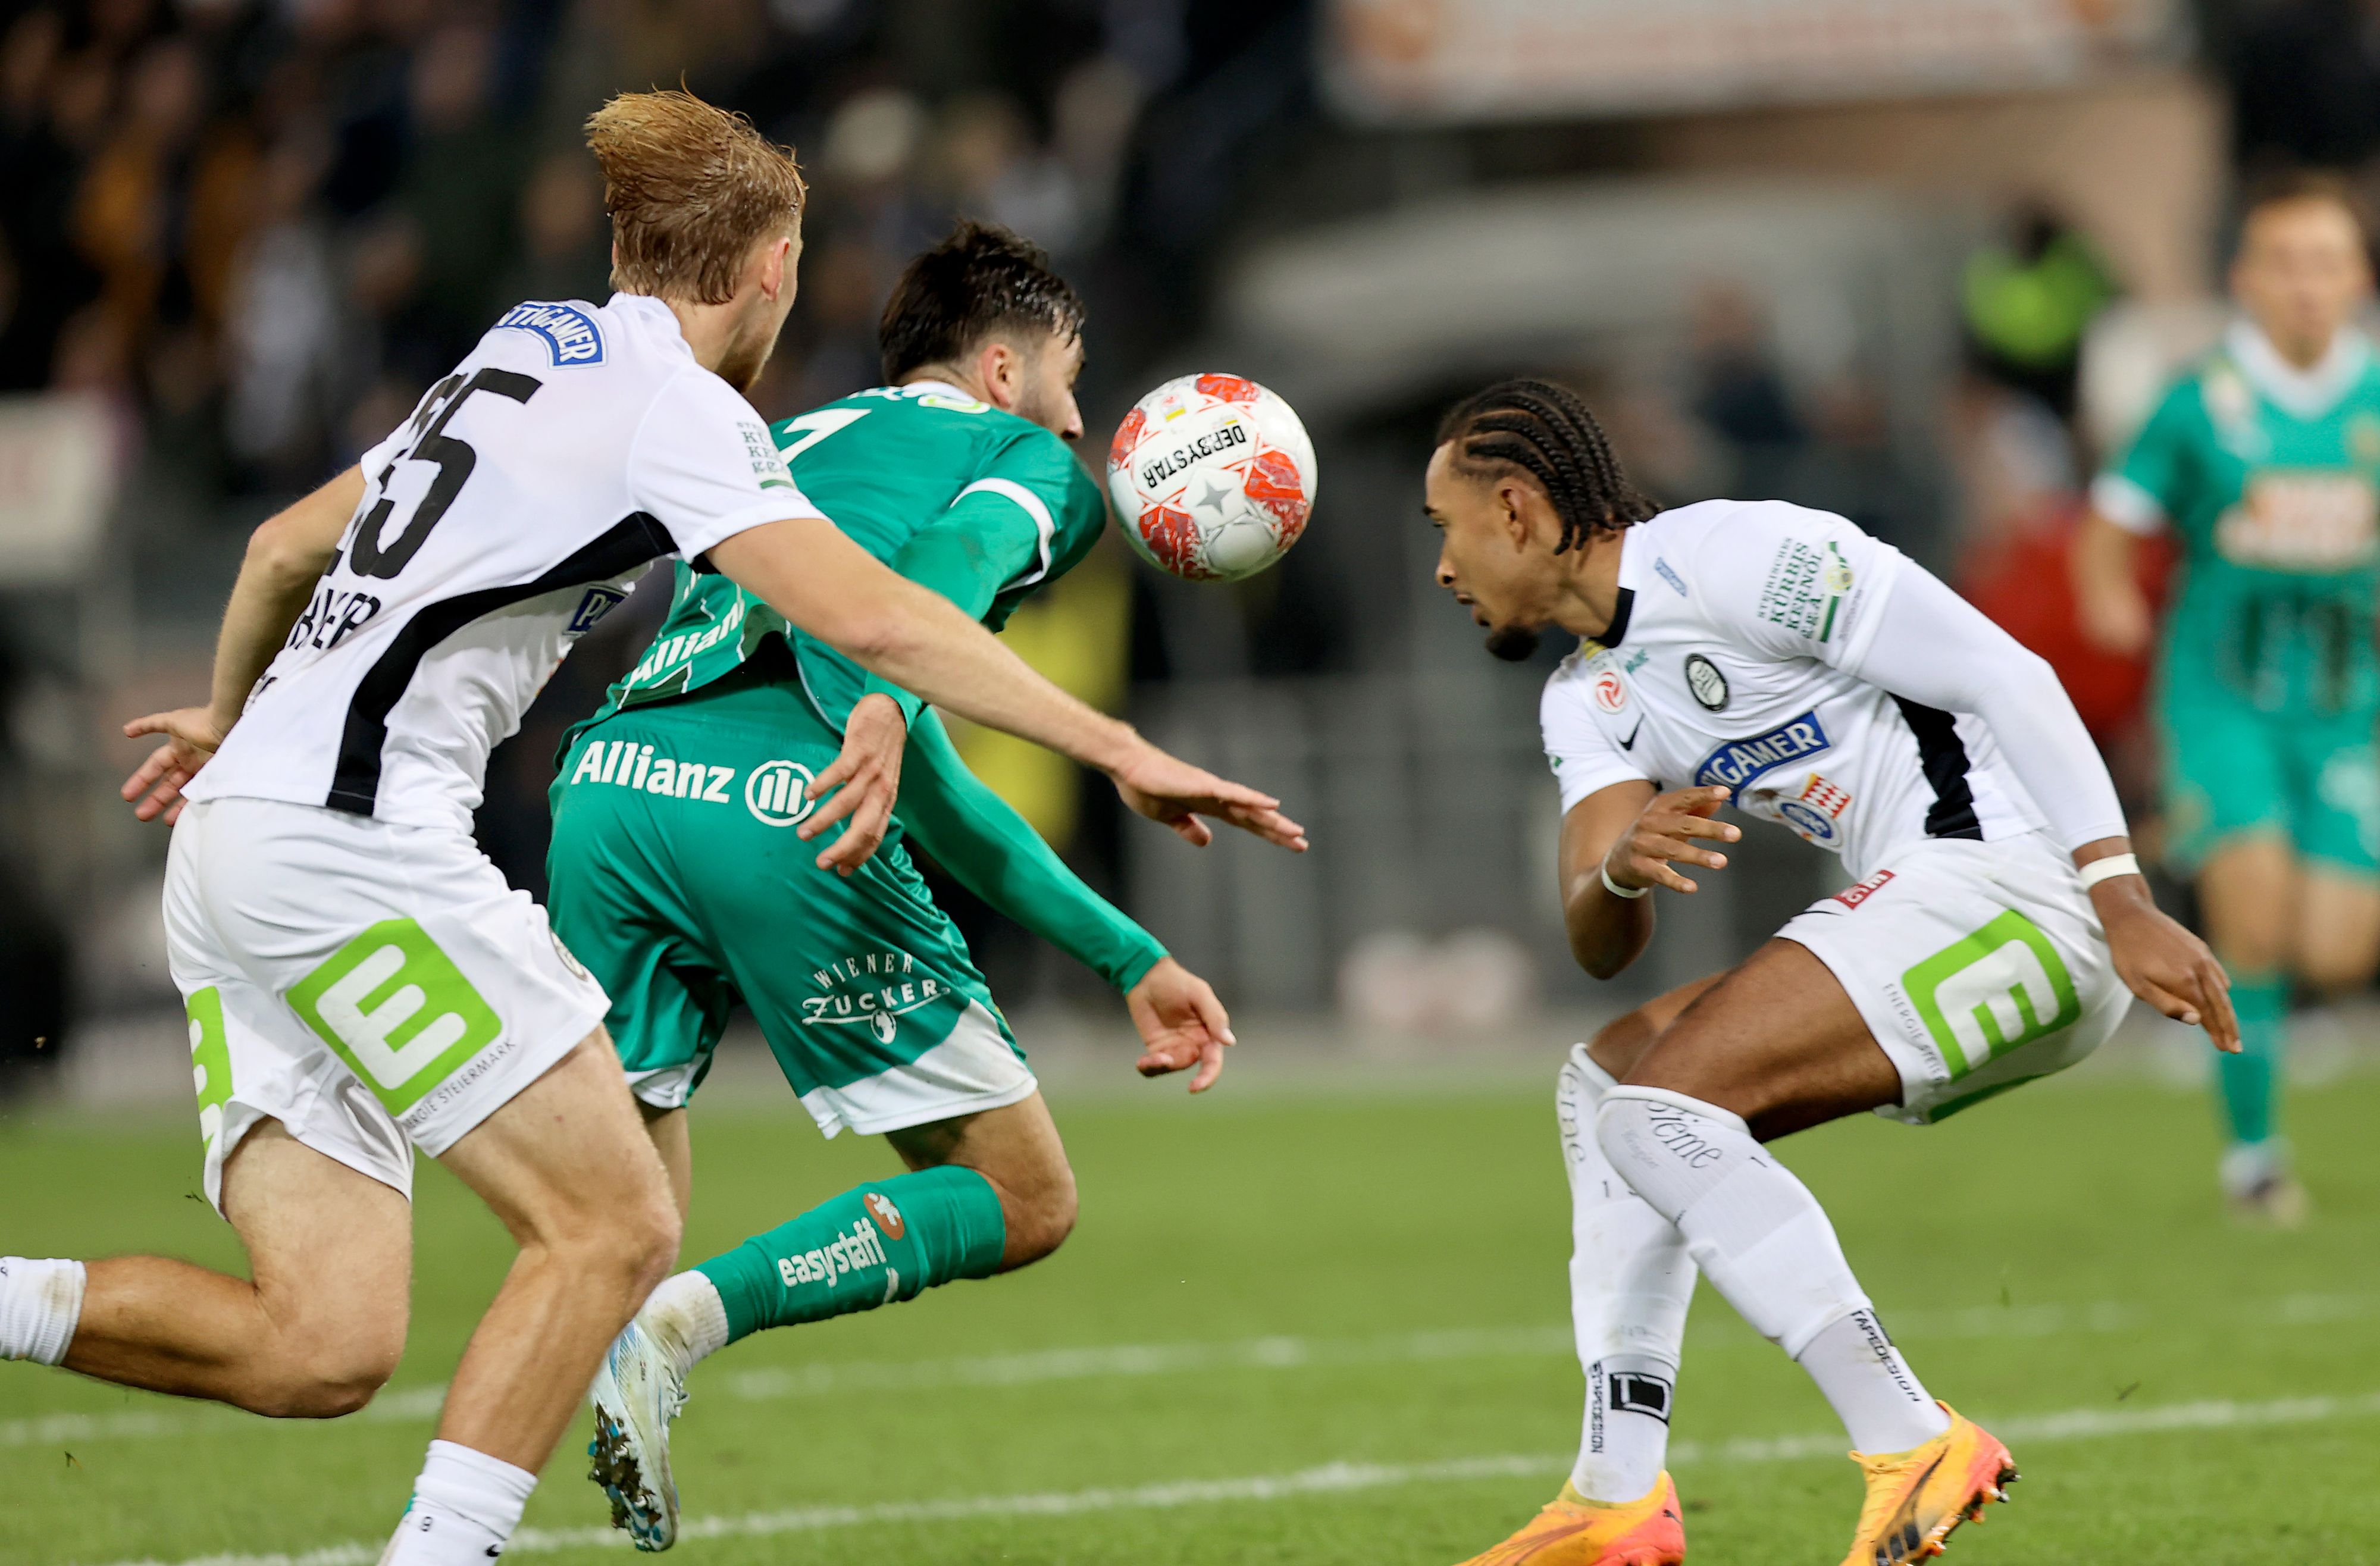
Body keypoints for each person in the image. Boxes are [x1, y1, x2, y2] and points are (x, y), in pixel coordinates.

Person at [0, 92, 1296, 1566]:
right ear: (772, 268)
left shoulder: (521, 345)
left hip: (237, 842)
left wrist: (230, 716)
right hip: (353, 847)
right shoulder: (684, 411)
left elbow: (280, 544)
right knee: (615, 1225)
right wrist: (1120, 748)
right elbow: (877, 618)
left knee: (322, 1342)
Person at [547, 221, 1285, 1551]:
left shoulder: (796, 437)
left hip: (609, 785)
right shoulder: (1026, 461)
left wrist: (1128, 957)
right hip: (781, 802)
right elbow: (937, 589)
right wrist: (886, 702)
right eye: (1070, 377)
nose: (1078, 414)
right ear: (1002, 370)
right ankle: (681, 1327)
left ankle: (538, 1448)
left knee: (620, 1220)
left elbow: (941, 793)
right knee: (1024, 1198)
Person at [1426, 380, 2232, 1566]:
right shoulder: (1587, 699)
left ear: (1515, 511)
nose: (1442, 568)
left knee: (1658, 1111)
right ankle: (1615, 1494)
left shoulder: (1737, 555)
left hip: (2027, 890)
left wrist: (2120, 895)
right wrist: (1623, 872)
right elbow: (1596, 938)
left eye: (1444, 527)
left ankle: (1910, 1436)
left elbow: (2005, 675)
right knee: (1609, 1084)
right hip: (1946, 915)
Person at [2074, 173, 2380, 1223]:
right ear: (2246, 279)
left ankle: (2254, 978)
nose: (2307, 285)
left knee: (2336, 945)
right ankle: (2255, 1162)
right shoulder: (2200, 402)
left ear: (2357, 278)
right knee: (2253, 918)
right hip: (2222, 701)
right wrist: (2108, 595)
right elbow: (2111, 522)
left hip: (2350, 708)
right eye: (2285, 263)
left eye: (2326, 263)